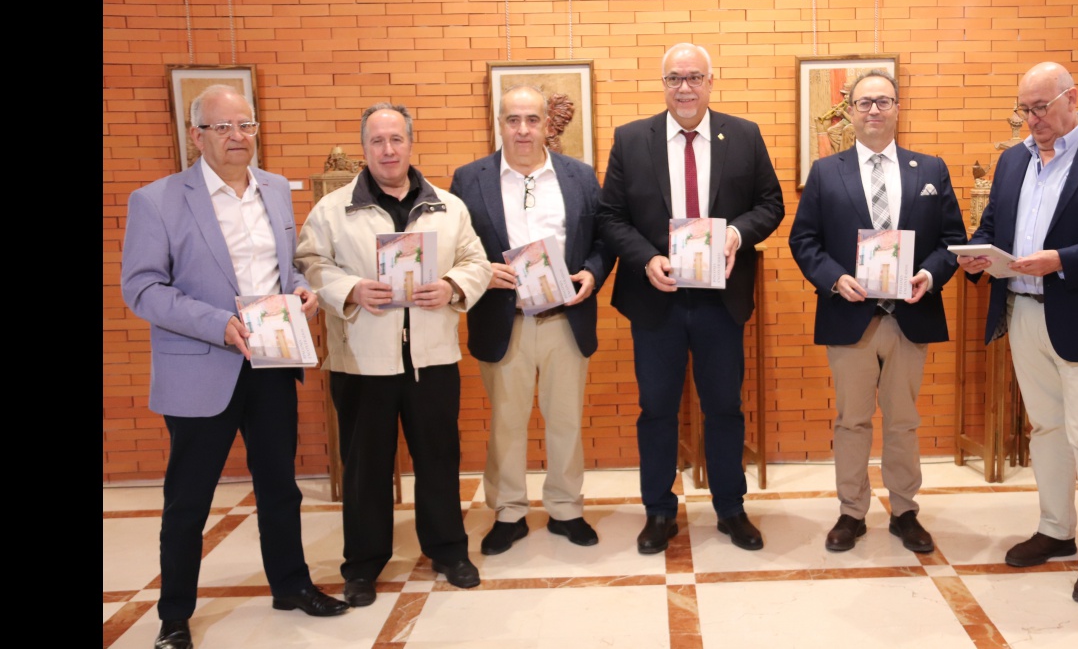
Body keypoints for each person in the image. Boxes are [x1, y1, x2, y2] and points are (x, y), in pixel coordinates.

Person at [121, 85, 349, 649]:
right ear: (195, 135)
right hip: (202, 367)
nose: (236, 137)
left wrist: (301, 293)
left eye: (244, 125)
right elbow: (142, 288)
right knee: (188, 500)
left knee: (281, 487)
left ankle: (291, 585)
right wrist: (217, 323)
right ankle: (174, 614)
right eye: (222, 127)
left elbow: (285, 269)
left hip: (272, 361)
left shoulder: (273, 188)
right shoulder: (157, 200)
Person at [957, 62, 1078, 604]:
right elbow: (994, 224)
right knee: (1045, 429)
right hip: (1023, 312)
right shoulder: (1011, 160)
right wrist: (978, 253)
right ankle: (1055, 528)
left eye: (1041, 107)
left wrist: (1062, 260)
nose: (1032, 120)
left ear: (1072, 98)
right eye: (1024, 109)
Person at [294, 102, 492, 605]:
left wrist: (450, 286)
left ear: (410, 143)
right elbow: (310, 264)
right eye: (377, 141)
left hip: (433, 358)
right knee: (365, 467)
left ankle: (449, 550)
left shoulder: (448, 206)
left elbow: (477, 261)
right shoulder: (332, 210)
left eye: (396, 139)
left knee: (439, 460)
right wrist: (350, 289)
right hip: (362, 361)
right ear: (364, 149)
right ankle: (362, 565)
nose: (387, 149)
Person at [597, 43, 785, 554]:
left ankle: (730, 508)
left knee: (725, 406)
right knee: (656, 408)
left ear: (711, 81)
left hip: (720, 301)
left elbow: (772, 204)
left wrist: (737, 235)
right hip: (655, 297)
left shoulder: (742, 136)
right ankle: (659, 510)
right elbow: (611, 217)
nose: (685, 87)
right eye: (675, 78)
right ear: (663, 84)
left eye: (695, 77)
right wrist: (645, 259)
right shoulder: (632, 139)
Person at [789, 69, 968, 554]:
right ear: (849, 111)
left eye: (883, 102)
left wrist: (929, 276)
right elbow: (803, 240)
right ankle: (851, 512)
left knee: (904, 419)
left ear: (896, 108)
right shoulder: (827, 172)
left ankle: (906, 510)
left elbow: (954, 240)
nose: (874, 110)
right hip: (851, 318)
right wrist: (833, 278)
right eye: (864, 103)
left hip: (909, 314)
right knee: (852, 420)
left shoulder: (930, 170)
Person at [450, 85, 614, 555]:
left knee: (565, 419)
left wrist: (592, 273)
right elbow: (456, 247)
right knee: (506, 422)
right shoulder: (469, 179)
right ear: (498, 124)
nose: (522, 130)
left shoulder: (580, 176)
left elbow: (604, 240)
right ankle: (509, 511)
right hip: (505, 320)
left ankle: (565, 508)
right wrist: (483, 272)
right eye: (512, 119)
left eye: (532, 120)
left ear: (548, 125)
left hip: (566, 318)